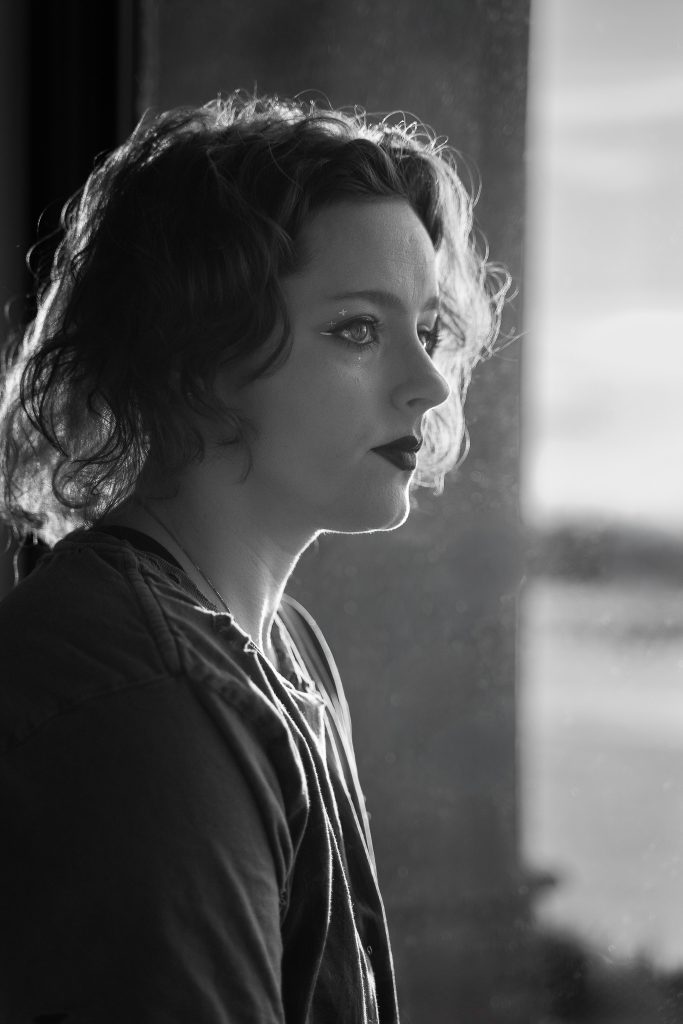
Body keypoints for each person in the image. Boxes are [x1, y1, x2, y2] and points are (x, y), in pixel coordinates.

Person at [0, 92, 508, 1023]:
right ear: (193, 353)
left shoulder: (286, 650)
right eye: (357, 328)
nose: (430, 381)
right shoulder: (145, 690)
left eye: (425, 328)